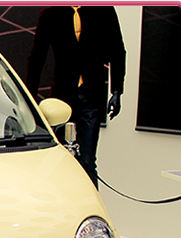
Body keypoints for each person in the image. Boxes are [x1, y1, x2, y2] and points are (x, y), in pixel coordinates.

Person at [26, 6, 126, 189]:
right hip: (61, 96)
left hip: (91, 95)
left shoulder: (104, 10)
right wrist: (28, 99)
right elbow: (37, 56)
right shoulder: (51, 13)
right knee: (59, 159)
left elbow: (117, 50)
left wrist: (117, 91)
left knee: (87, 160)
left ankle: (90, 204)